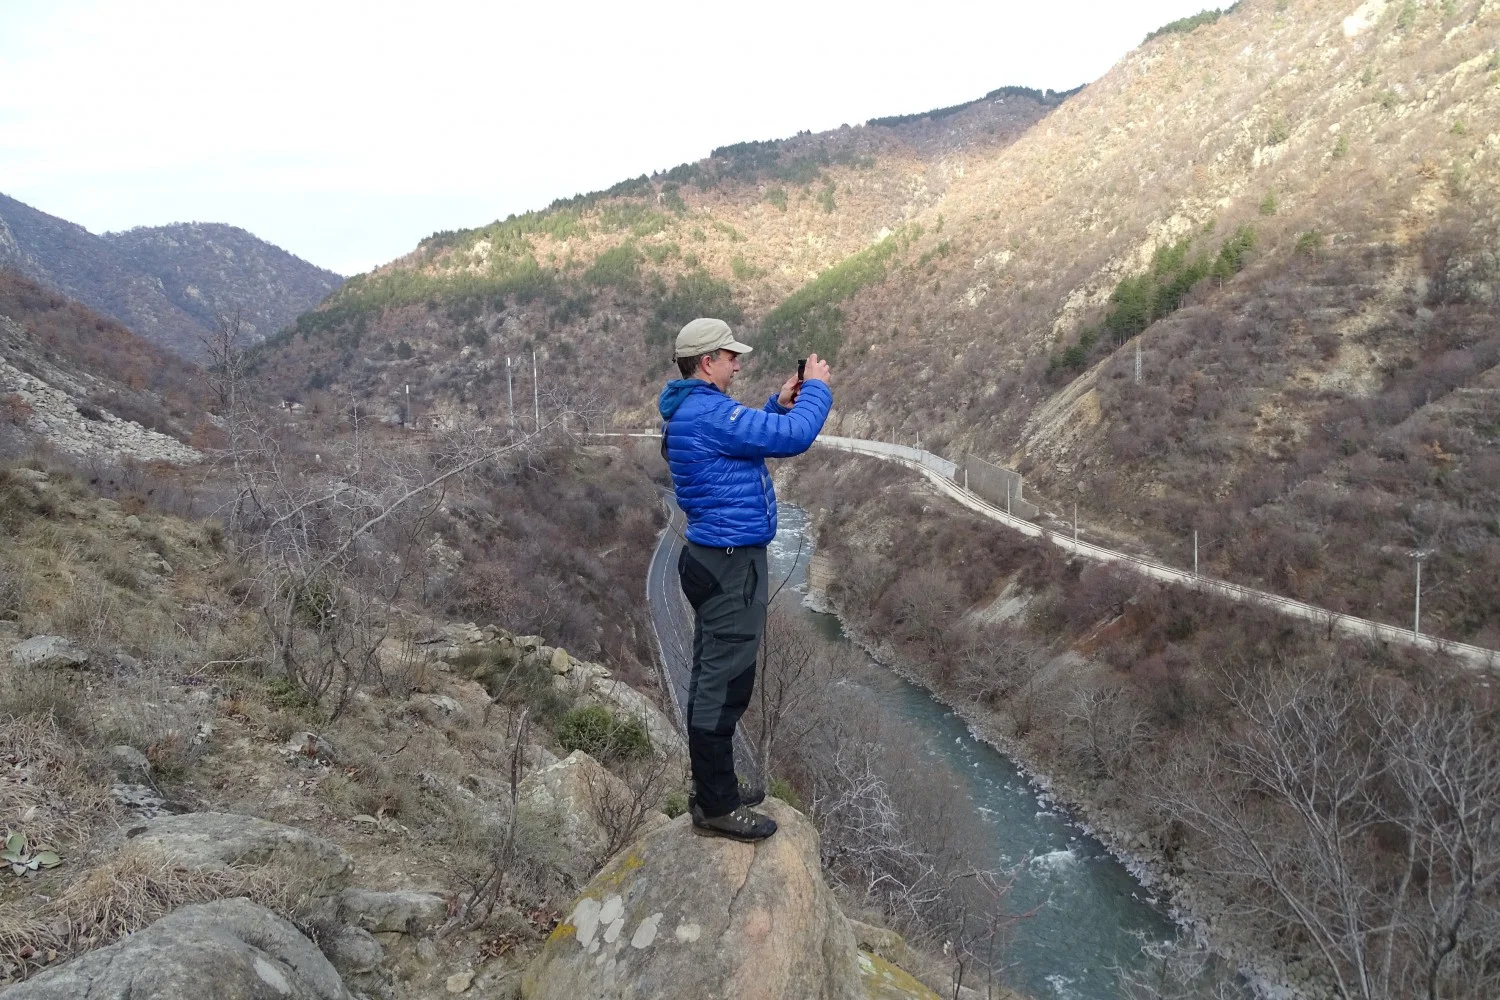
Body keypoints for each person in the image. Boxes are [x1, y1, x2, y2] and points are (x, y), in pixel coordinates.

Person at [657, 317, 832, 841]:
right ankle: (715, 805)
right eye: (731, 356)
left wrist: (778, 402)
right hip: (730, 565)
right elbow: (794, 437)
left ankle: (718, 790)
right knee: (722, 686)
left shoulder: (694, 410)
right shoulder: (708, 412)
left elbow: (749, 437)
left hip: (717, 559)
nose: (738, 363)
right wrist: (816, 388)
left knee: (724, 679)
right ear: (707, 362)